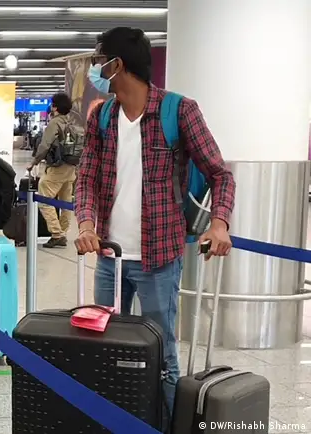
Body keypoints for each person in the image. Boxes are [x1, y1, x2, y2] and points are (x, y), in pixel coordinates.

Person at [75, 26, 236, 418]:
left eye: (99, 61)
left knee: (161, 354)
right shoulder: (102, 116)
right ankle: (115, 421)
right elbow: (87, 177)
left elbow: (220, 174)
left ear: (117, 65)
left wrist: (219, 223)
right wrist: (85, 224)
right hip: (110, 258)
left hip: (158, 259)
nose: (96, 70)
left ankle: (165, 424)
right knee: (106, 348)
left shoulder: (178, 111)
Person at [27, 92, 79, 248]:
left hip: (57, 167)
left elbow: (45, 145)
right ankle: (63, 232)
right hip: (71, 167)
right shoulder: (72, 123)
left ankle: (57, 234)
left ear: (55, 107)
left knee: (44, 198)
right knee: (65, 201)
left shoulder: (54, 123)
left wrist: (34, 162)